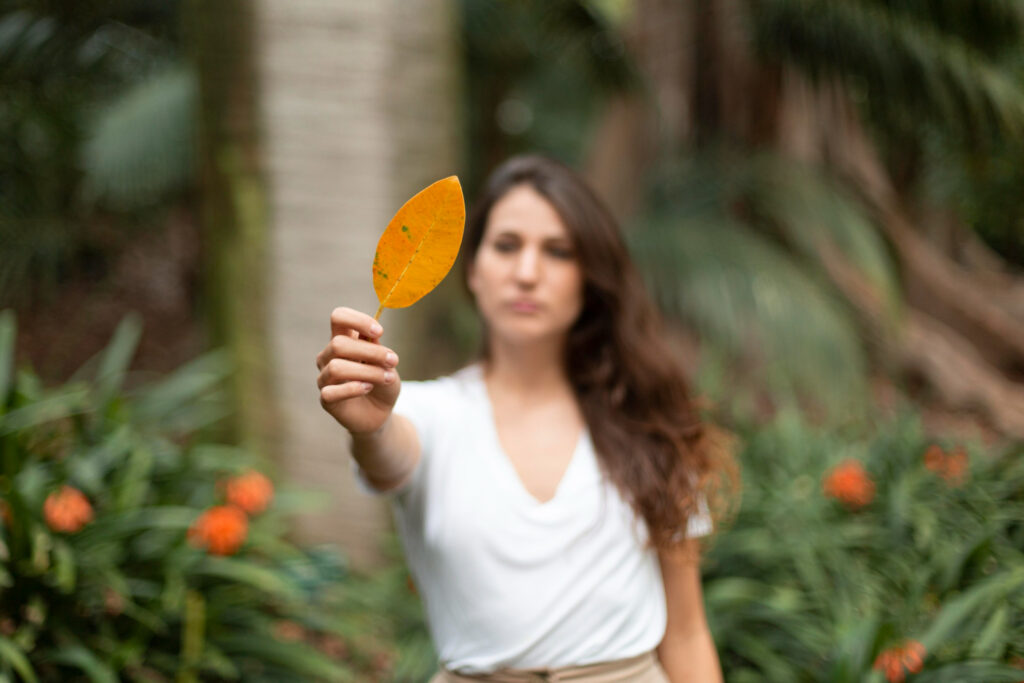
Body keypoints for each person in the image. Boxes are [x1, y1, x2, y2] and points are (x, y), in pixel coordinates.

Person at [315, 154, 733, 682]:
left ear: (589, 278)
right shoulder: (424, 412)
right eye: (507, 245)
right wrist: (371, 425)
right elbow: (388, 454)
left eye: (557, 252)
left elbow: (688, 633)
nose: (527, 273)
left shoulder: (646, 418)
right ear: (472, 268)